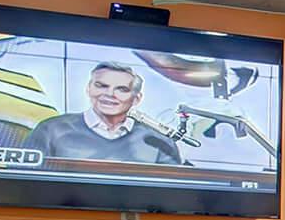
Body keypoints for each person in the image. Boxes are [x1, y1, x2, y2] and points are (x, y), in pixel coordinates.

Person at [26, 61, 182, 165]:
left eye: (122, 89)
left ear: (136, 98)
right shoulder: (51, 129)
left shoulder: (159, 140)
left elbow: (174, 194)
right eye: (101, 86)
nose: (109, 94)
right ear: (89, 88)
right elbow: (25, 182)